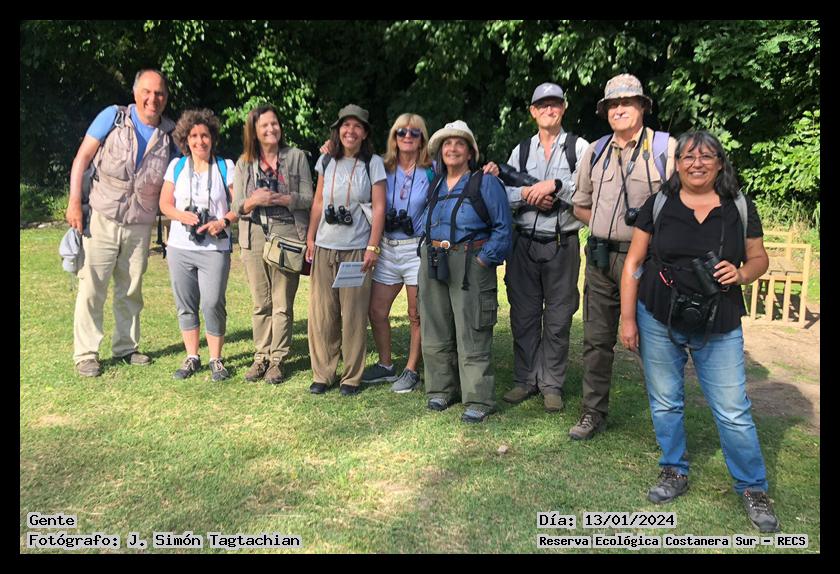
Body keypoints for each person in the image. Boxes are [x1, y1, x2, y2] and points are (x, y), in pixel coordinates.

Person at [619, 130, 780, 533]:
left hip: (719, 319)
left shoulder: (739, 206)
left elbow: (760, 258)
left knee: (733, 409)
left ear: (720, 164)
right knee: (665, 401)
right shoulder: (659, 203)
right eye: (688, 157)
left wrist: (741, 274)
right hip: (658, 315)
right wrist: (627, 318)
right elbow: (634, 263)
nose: (697, 163)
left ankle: (753, 487)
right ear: (677, 164)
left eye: (707, 156)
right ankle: (674, 469)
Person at [569, 74, 676, 439]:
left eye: (626, 102)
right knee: (596, 341)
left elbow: (680, 207)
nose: (619, 109)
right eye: (613, 104)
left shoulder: (664, 149)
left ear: (642, 106)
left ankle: (667, 421)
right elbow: (580, 204)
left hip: (646, 261)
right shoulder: (595, 151)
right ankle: (592, 413)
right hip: (600, 258)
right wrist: (603, 226)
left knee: (653, 342)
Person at [66, 69, 175, 377]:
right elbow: (82, 158)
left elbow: (178, 178)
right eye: (147, 92)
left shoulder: (170, 134)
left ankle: (126, 347)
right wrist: (74, 201)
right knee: (92, 287)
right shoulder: (112, 117)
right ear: (135, 92)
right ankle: (86, 354)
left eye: (159, 93)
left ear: (166, 98)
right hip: (101, 216)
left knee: (131, 289)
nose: (153, 99)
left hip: (140, 223)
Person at [492, 82, 589, 413]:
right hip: (524, 244)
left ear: (564, 108)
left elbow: (589, 190)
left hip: (563, 243)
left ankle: (551, 385)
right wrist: (528, 194)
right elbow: (500, 193)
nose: (549, 109)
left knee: (559, 318)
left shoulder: (579, 148)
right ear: (533, 111)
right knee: (524, 315)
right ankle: (525, 380)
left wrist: (555, 186)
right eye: (543, 105)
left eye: (555, 104)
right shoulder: (520, 151)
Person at [420, 120, 512, 423]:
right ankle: (441, 389)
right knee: (435, 326)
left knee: (472, 328)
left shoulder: (485, 182)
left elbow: (503, 227)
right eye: (447, 144)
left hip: (470, 259)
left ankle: (478, 398)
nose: (452, 148)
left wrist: (484, 260)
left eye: (459, 143)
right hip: (435, 258)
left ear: (470, 151)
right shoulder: (435, 182)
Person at [306, 104, 387, 396]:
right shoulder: (326, 159)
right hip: (325, 245)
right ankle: (323, 373)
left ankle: (351, 376)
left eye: (357, 126)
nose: (350, 131)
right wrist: (311, 237)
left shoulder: (373, 163)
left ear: (365, 133)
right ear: (338, 130)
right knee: (322, 314)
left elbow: (380, 207)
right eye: (345, 125)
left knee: (353, 315)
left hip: (356, 248)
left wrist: (373, 246)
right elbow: (318, 201)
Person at [232, 104, 313, 384]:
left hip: (288, 234)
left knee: (282, 302)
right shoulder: (244, 163)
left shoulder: (296, 157)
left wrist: (283, 199)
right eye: (264, 125)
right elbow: (237, 206)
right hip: (254, 235)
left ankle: (277, 360)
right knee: (260, 302)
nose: (271, 129)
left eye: (274, 123)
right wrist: (254, 200)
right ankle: (261, 357)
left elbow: (309, 198)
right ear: (253, 131)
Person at [158, 109, 237, 381]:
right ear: (185, 139)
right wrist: (182, 216)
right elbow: (164, 203)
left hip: (215, 247)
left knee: (213, 302)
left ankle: (216, 358)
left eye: (204, 135)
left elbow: (238, 205)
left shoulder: (225, 166)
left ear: (212, 138)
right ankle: (192, 356)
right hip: (180, 246)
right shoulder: (177, 166)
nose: (199, 141)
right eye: (193, 136)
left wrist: (223, 222)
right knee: (185, 303)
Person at [358, 114, 434, 392]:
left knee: (416, 314)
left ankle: (412, 369)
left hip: (415, 247)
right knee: (376, 310)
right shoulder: (381, 165)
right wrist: (330, 149)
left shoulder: (431, 169)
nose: (407, 137)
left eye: (414, 133)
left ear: (422, 138)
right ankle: (386, 364)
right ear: (394, 136)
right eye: (401, 132)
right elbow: (351, 159)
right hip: (387, 246)